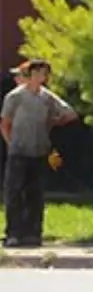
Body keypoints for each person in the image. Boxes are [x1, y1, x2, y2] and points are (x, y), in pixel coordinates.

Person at [0, 59, 77, 247]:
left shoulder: (47, 98)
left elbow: (70, 113)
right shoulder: (15, 96)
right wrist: (11, 143)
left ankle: (33, 233)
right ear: (30, 74)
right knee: (14, 193)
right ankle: (14, 233)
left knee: (36, 194)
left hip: (39, 150)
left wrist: (52, 122)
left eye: (44, 73)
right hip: (18, 151)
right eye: (37, 73)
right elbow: (5, 123)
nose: (40, 77)